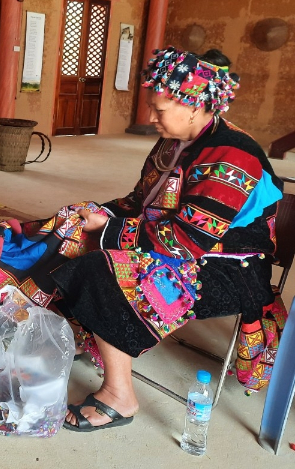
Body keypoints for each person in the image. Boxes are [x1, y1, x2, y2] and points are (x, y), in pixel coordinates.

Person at [43, 47, 283, 432]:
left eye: (159, 109)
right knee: (70, 235)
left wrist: (107, 230)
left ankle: (120, 396)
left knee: (100, 269)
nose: (150, 117)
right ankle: (102, 338)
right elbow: (140, 202)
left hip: (232, 269)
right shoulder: (173, 141)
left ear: (193, 106)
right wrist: (97, 212)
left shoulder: (233, 155)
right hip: (190, 249)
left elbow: (185, 243)